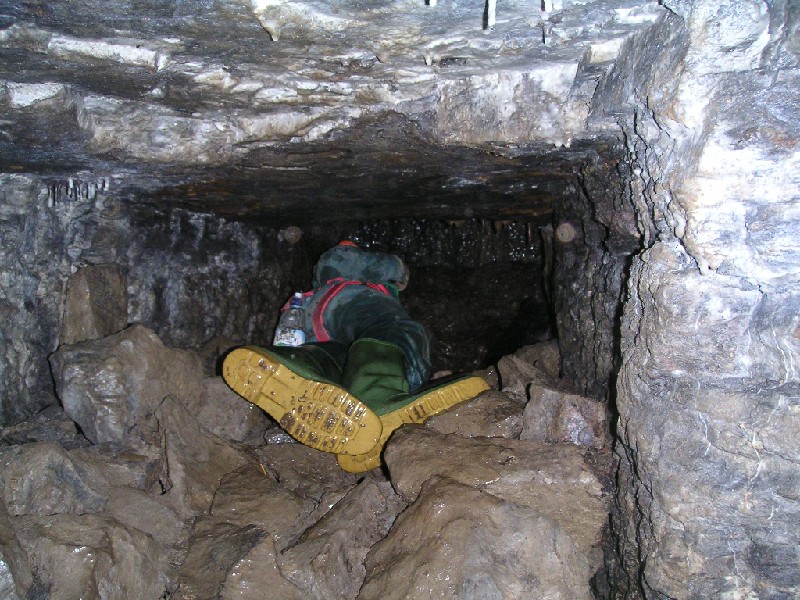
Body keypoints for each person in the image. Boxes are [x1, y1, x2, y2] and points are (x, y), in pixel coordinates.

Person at [222, 241, 488, 472]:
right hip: (345, 303)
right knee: (397, 330)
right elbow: (351, 262)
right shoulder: (339, 260)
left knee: (336, 359)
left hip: (312, 324)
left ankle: (298, 365)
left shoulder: (314, 290)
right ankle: (380, 397)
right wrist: (399, 268)